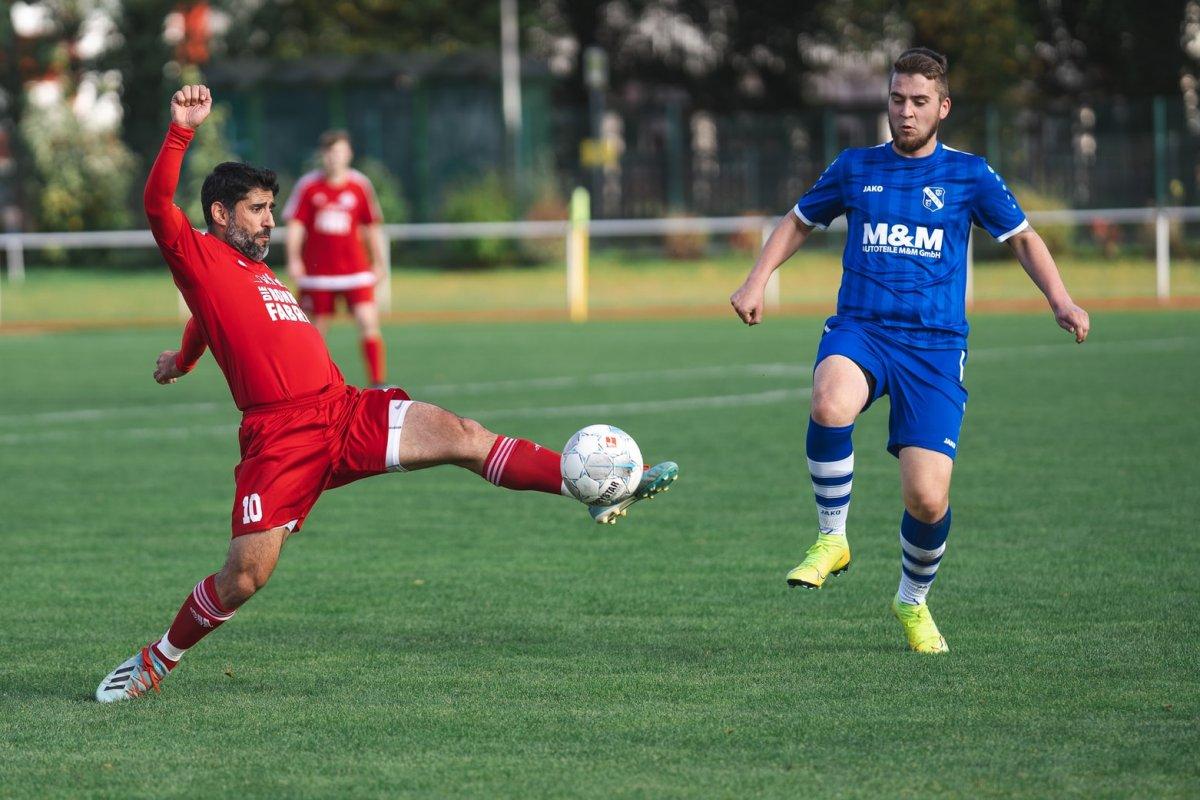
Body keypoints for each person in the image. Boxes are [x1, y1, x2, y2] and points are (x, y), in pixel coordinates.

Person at [95, 85, 678, 703]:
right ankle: (157, 659)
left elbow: (205, 321)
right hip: (282, 437)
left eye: (271, 207)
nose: (273, 219)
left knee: (464, 435)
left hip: (345, 410)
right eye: (259, 209)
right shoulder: (197, 254)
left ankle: (588, 485)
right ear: (220, 213)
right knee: (244, 577)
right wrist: (181, 129)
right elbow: (158, 203)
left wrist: (182, 358)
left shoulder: (255, 268)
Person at [730, 48, 1090, 653]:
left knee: (926, 498)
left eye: (919, 102)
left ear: (942, 108)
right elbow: (797, 221)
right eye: (897, 100)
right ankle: (832, 537)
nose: (905, 112)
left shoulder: (970, 175)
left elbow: (1023, 238)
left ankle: (912, 600)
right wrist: (756, 278)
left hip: (935, 348)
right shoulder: (854, 166)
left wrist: (1061, 299)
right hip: (862, 329)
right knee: (829, 400)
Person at [284, 130, 389, 386]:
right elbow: (296, 225)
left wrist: (379, 262)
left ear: (349, 154)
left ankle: (377, 383)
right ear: (323, 155)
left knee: (368, 321)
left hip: (355, 270)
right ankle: (307, 383)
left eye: (340, 152)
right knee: (313, 331)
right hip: (318, 274)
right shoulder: (309, 186)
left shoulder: (359, 185)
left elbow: (371, 226)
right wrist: (294, 258)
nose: (335, 158)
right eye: (330, 153)